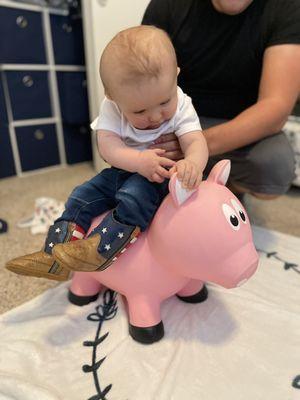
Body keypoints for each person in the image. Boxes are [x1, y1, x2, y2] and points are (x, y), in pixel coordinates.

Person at [6, 25, 208, 281]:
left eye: (164, 102)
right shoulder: (111, 107)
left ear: (176, 76)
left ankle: (99, 250)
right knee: (82, 194)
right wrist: (137, 160)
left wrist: (192, 163)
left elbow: (196, 142)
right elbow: (107, 147)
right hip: (122, 169)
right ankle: (54, 256)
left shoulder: (182, 103)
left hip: (160, 176)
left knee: (133, 195)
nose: (156, 116)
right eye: (139, 112)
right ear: (113, 98)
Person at [142, 0, 300, 199]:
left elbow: (275, 107)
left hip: (238, 127)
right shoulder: (168, 5)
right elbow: (140, 77)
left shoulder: (286, 7)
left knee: (274, 164)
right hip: (175, 119)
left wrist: (194, 145)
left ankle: (224, 188)